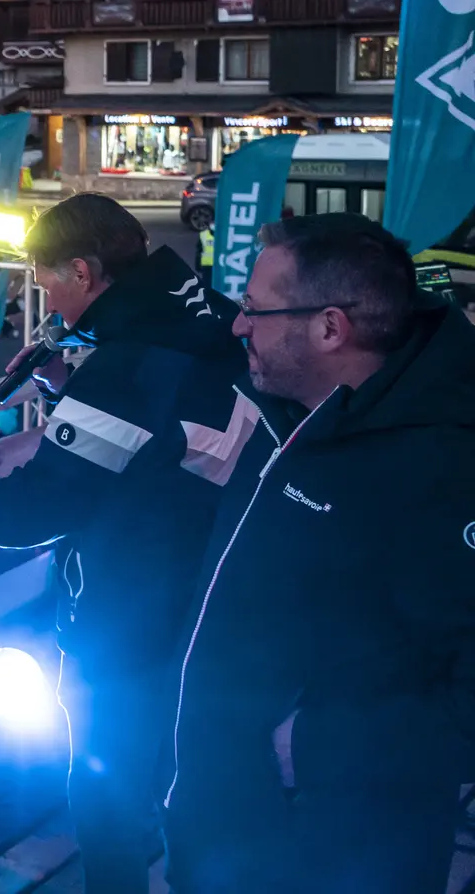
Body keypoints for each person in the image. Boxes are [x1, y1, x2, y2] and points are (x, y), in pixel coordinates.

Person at [0, 193, 249, 894]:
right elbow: (152, 440)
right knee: (182, 784)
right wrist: (68, 391)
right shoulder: (198, 308)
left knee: (106, 800)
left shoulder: (130, 365)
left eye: (47, 282)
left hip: (134, 614)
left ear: (84, 273)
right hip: (208, 590)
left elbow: (28, 511)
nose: (48, 302)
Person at [166, 215, 475, 894]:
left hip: (335, 852)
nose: (237, 326)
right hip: (225, 830)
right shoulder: (298, 404)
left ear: (331, 328)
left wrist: (311, 747)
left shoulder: (447, 466)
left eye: (254, 308)